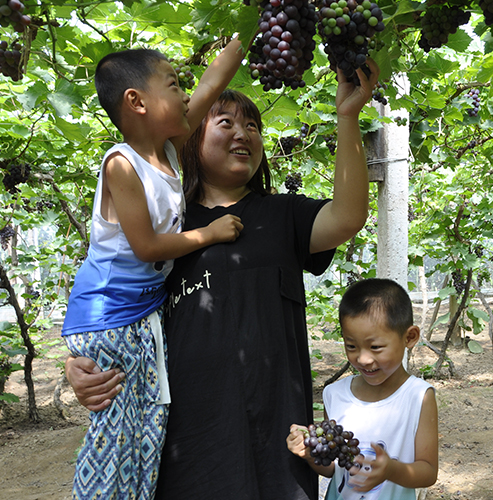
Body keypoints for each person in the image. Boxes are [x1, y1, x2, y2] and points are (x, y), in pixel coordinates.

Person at [66, 59, 380, 500]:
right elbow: (122, 303)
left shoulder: (283, 214)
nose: (243, 133)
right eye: (226, 122)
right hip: (190, 442)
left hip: (278, 435)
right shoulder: (170, 229)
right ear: (189, 139)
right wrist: (80, 363)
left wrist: (347, 117)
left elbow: (348, 217)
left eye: (253, 126)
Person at [61, 38, 246, 500]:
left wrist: (254, 24)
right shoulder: (122, 165)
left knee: (147, 428)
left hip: (139, 313)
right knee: (115, 438)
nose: (187, 95)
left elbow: (213, 82)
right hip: (109, 315)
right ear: (136, 102)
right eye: (174, 84)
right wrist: (210, 233)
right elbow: (145, 246)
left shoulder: (166, 148)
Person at [287, 278, 439, 500]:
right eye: (351, 346)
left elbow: (428, 472)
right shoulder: (334, 394)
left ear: (409, 337)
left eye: (375, 347)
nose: (363, 358)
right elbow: (332, 468)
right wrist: (310, 453)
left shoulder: (418, 397)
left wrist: (391, 470)